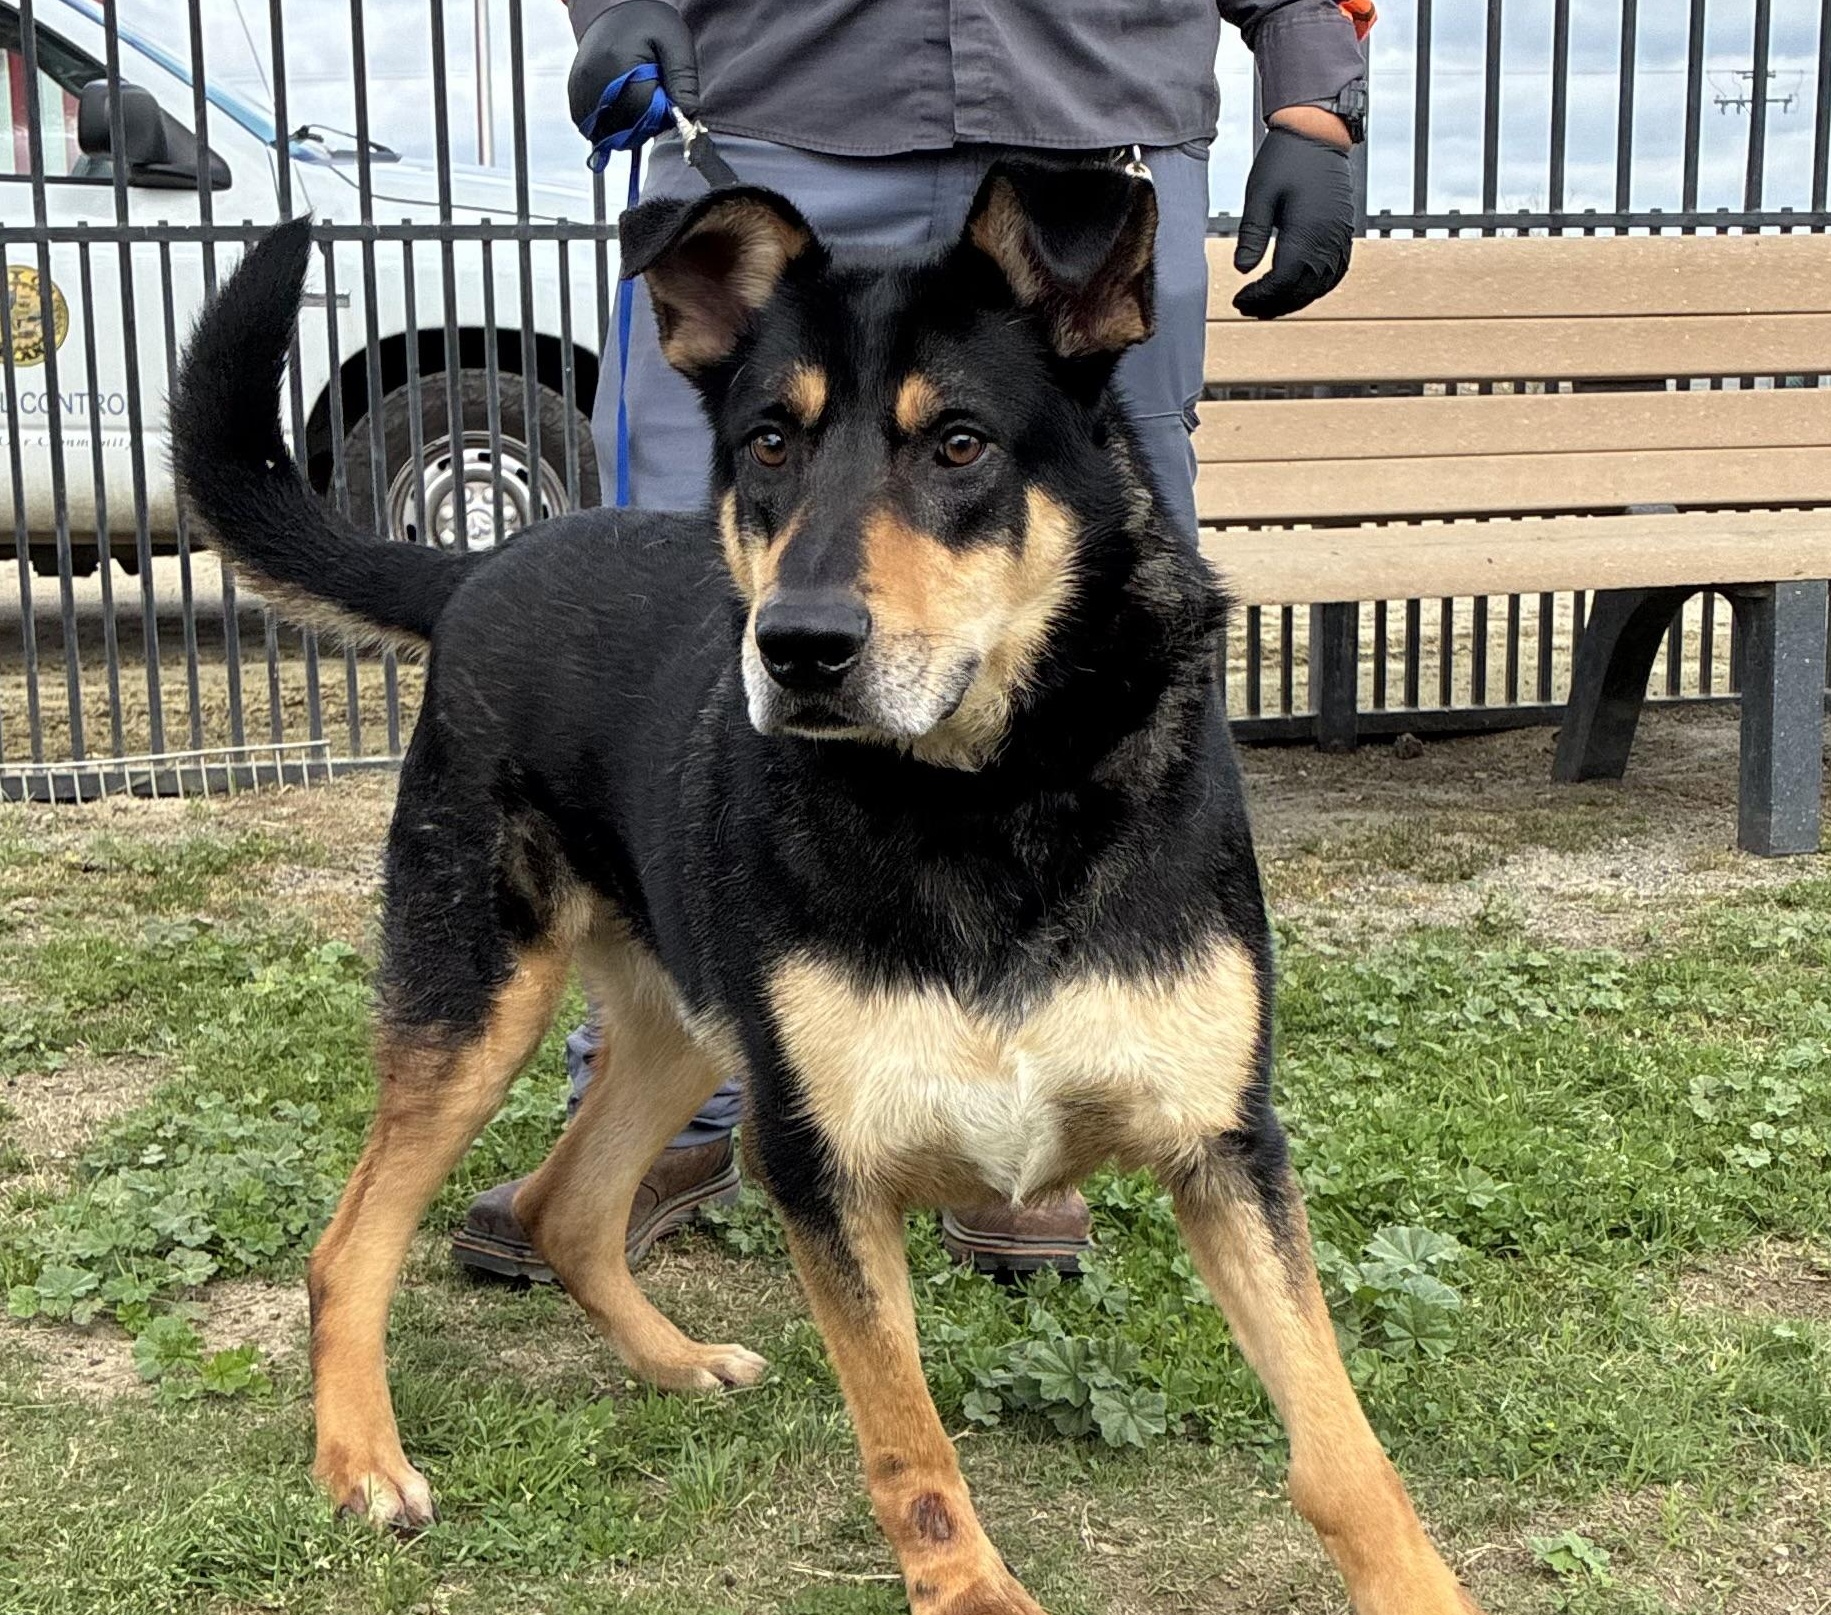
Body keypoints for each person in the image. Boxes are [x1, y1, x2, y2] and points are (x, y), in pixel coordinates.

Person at [451, 0, 1370, 1286]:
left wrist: (1312, 98)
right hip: (776, 131)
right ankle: (696, 1098)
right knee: (722, 635)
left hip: (1088, 144)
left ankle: (1058, 1094)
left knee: (1097, 629)